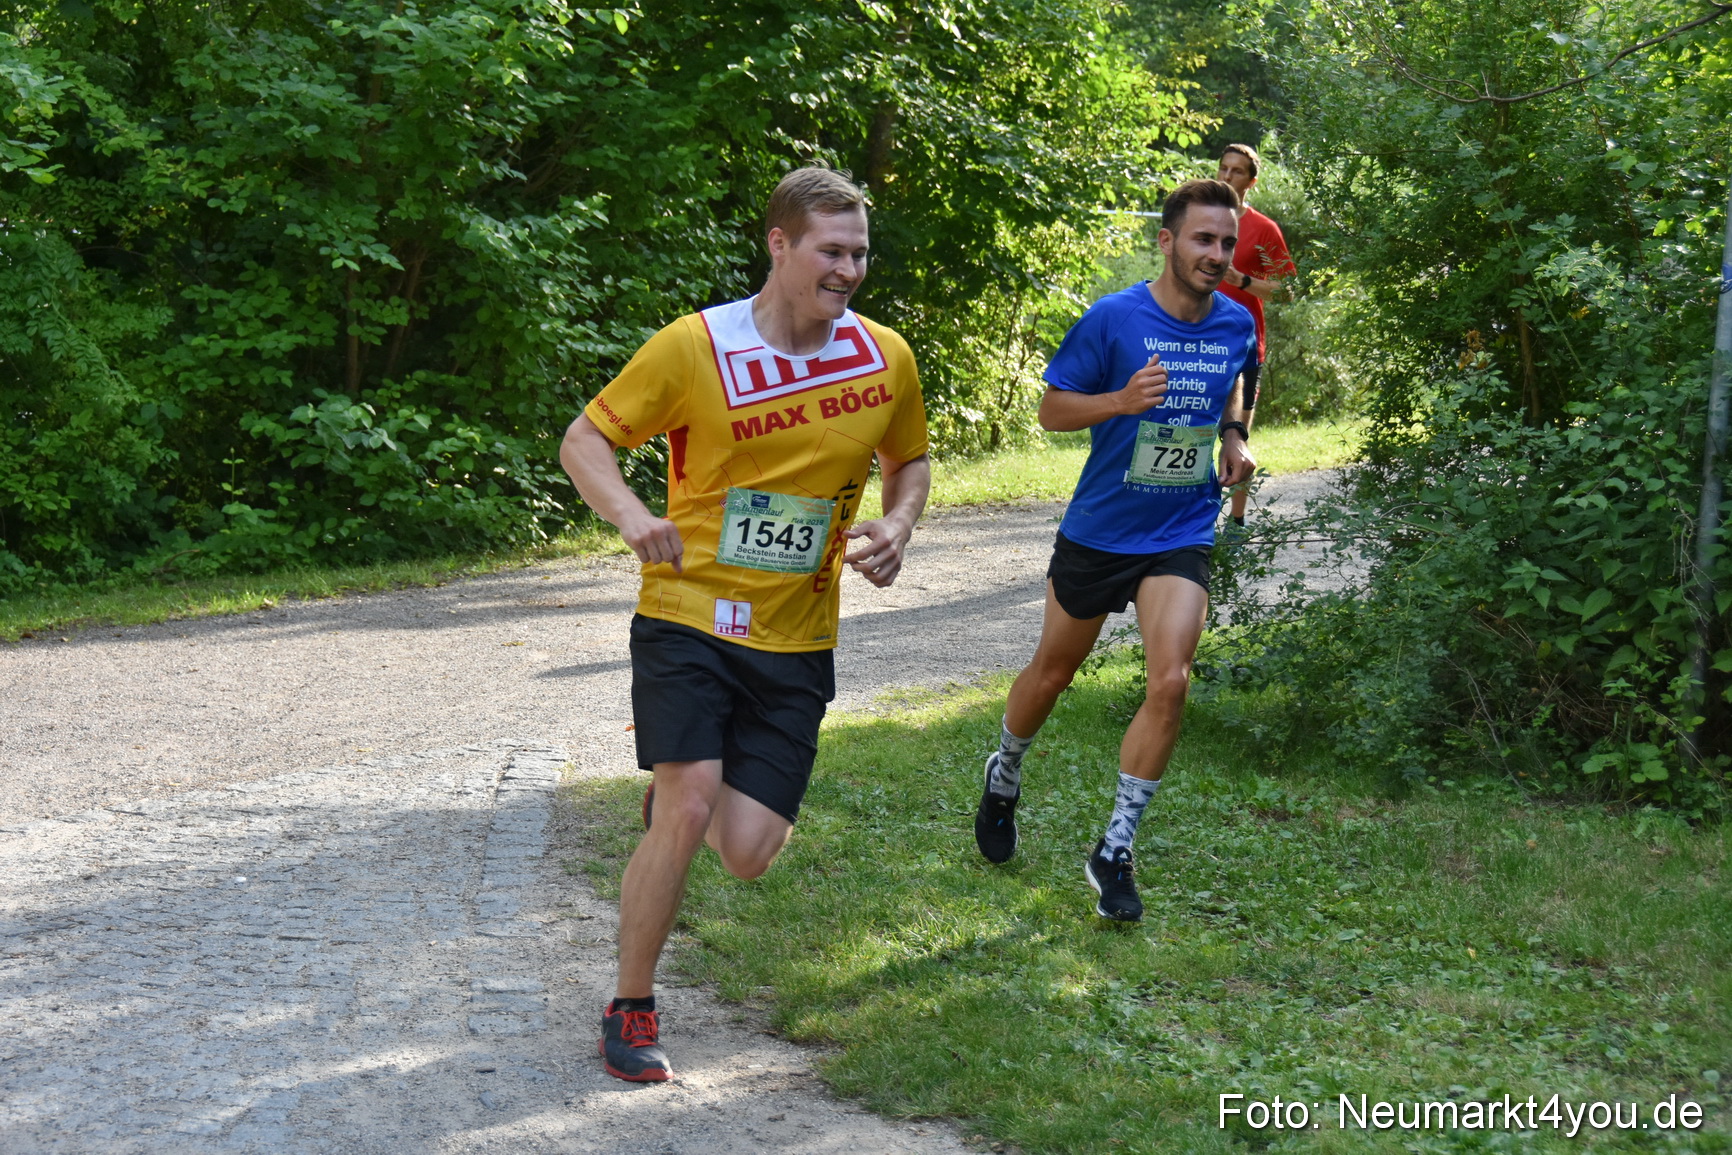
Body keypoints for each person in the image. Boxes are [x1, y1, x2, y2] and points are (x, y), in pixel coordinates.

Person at [559, 165, 930, 1081]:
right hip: (686, 612)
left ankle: (683, 800)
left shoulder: (885, 356)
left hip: (799, 635)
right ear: (779, 243)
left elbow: (909, 461)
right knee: (687, 803)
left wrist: (897, 524)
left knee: (751, 853)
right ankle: (632, 1007)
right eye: (831, 251)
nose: (848, 269)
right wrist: (631, 515)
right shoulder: (695, 346)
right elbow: (585, 440)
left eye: (860, 253)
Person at [971, 178, 1257, 921]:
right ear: (1167, 241)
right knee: (1053, 672)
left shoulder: (1235, 323)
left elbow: (1234, 384)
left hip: (1182, 529)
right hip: (1101, 530)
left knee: (1171, 680)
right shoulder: (1112, 319)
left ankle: (1116, 846)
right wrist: (1120, 402)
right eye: (1203, 239)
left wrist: (1233, 436)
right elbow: (1052, 408)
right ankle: (1005, 770)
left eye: (1227, 243)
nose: (1217, 255)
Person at [1213, 142, 1296, 532]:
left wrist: (1241, 280)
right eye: (1223, 168)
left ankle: (1237, 522)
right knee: (1187, 429)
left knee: (1237, 434)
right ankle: (1191, 519)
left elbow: (1287, 289)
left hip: (1245, 346)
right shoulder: (1204, 220)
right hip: (1195, 337)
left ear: (1252, 180)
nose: (1227, 176)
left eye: (1237, 171)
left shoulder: (1264, 229)